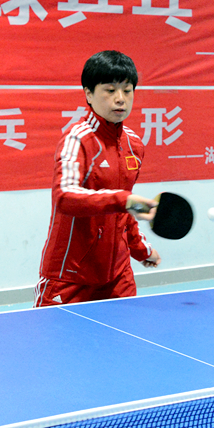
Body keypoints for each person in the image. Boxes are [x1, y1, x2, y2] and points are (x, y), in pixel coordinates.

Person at [34, 50, 161, 307]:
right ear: (89, 94)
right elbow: (65, 197)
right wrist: (124, 200)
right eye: (110, 90)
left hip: (117, 275)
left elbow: (123, 211)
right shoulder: (77, 139)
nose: (120, 98)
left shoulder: (134, 144)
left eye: (127, 90)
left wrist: (140, 249)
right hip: (70, 275)